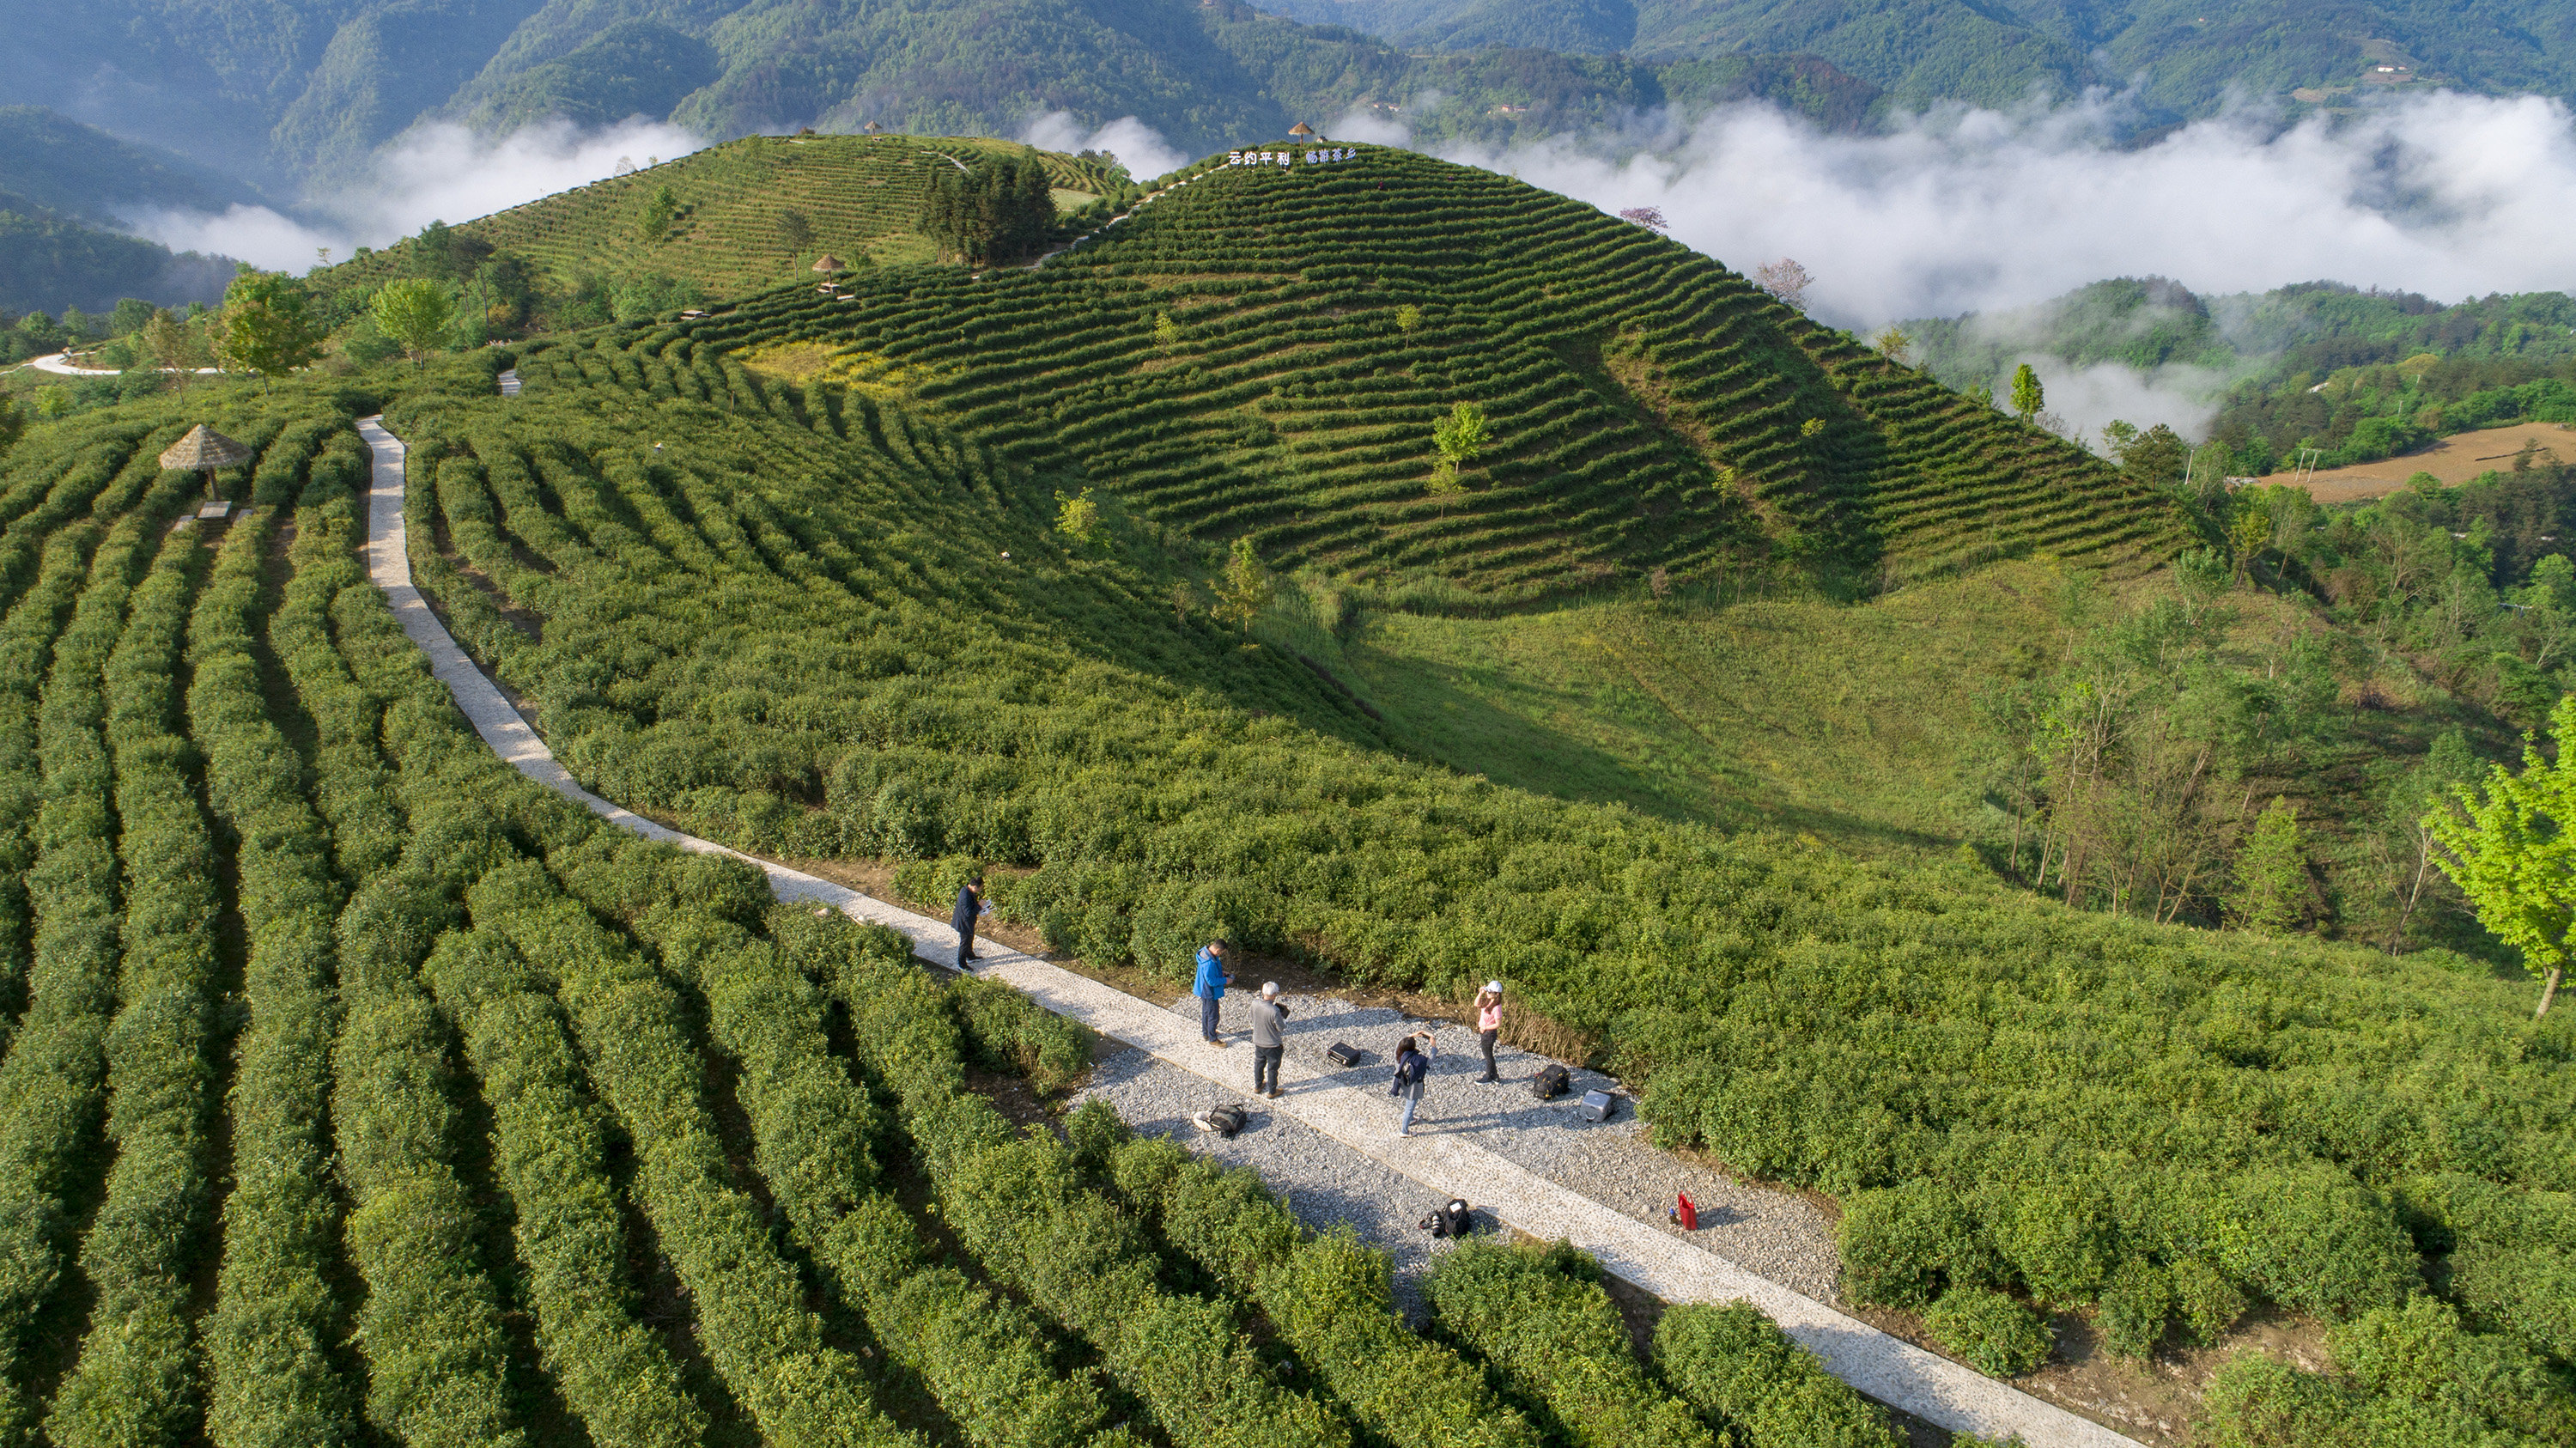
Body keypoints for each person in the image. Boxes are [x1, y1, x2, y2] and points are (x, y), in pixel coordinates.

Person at [1389, 1030, 1436, 1135]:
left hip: (1401, 1082)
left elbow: (1399, 1044)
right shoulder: (1417, 1060)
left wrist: (1410, 1036)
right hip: (1413, 1087)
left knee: (1408, 1104)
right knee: (1409, 1108)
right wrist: (1433, 1046)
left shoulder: (1398, 1055)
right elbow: (1430, 1061)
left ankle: (1410, 1118)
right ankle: (1404, 1131)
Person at [1248, 981, 1290, 1097]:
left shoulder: (1254, 1003)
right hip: (1272, 1044)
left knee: (1259, 1064)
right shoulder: (1274, 1010)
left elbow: (1252, 1017)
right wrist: (1283, 1019)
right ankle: (1272, 1091)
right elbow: (1281, 1028)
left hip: (1258, 1041)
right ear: (1274, 994)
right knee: (1272, 1068)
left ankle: (1258, 1085)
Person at [1193, 939, 1232, 1046]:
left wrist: (1221, 973)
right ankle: (1213, 1039)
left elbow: (1209, 974)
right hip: (1209, 992)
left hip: (1203, 989)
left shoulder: (1206, 954)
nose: (1221, 955)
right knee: (1213, 1015)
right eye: (1221, 953)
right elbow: (1211, 981)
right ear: (1218, 950)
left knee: (1206, 1012)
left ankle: (1206, 1033)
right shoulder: (1209, 963)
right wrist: (1225, 980)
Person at [951, 875, 985, 969]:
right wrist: (979, 906)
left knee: (970, 939)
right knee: (964, 943)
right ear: (975, 887)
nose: (979, 891)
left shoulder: (967, 890)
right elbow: (968, 913)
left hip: (968, 922)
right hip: (964, 923)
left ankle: (970, 956)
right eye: (979, 889)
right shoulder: (965, 896)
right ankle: (961, 964)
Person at [1473, 981, 1504, 1083]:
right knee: (1489, 1054)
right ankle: (1495, 1076)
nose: (1488, 993)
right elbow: (1476, 1004)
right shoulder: (1487, 1001)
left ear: (1497, 994)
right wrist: (1481, 993)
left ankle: (1488, 1076)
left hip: (1489, 1034)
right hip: (1485, 1032)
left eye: (1489, 992)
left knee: (1488, 1056)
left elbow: (1498, 1024)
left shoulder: (1497, 1008)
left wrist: (1485, 1027)